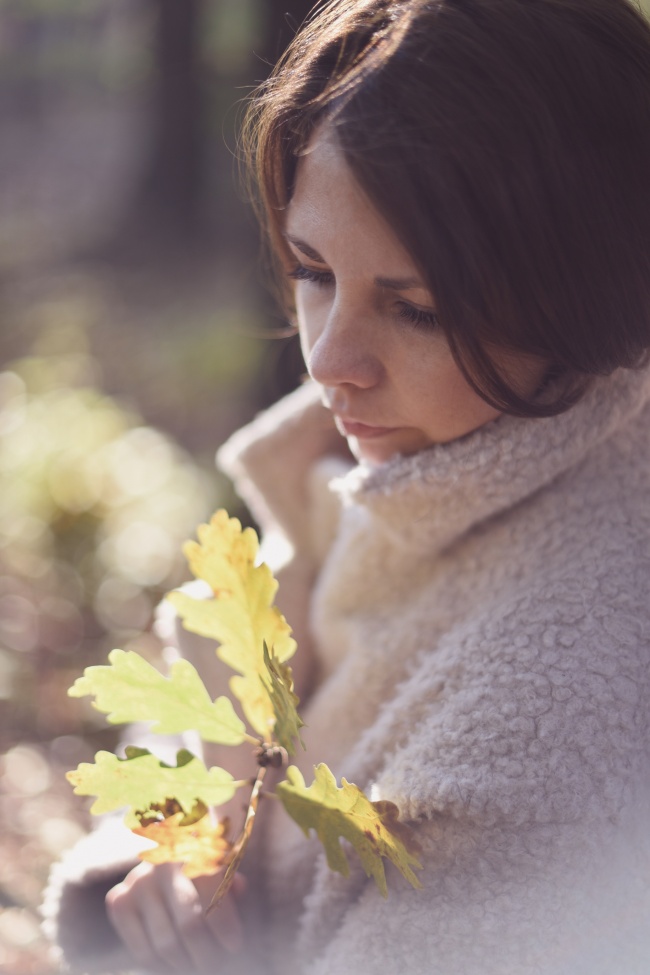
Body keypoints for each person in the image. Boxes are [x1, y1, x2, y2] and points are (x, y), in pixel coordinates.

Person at [42, 0, 650, 972]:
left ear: (580, 293)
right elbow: (205, 769)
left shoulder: (555, 713)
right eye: (312, 271)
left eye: (414, 309)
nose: (330, 364)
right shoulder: (397, 475)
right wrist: (185, 843)